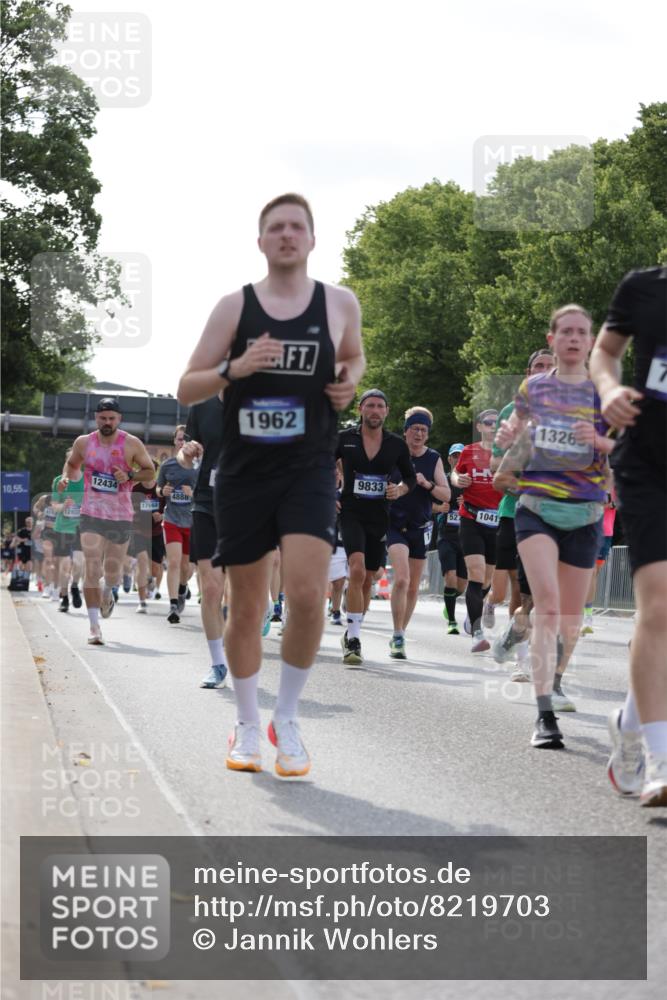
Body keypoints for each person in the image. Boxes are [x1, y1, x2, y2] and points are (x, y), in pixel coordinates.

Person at [177, 193, 364, 776]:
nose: (287, 235)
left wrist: (347, 385)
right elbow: (186, 386)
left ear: (312, 239)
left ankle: (288, 716)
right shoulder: (236, 307)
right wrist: (236, 368)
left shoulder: (339, 303)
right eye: (276, 228)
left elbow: (354, 359)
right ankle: (247, 721)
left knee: (307, 596)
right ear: (261, 242)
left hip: (307, 467)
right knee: (249, 605)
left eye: (297, 227)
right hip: (244, 472)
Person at [496, 305, 615, 749]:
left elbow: (624, 452)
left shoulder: (605, 393)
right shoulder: (534, 388)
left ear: (591, 342)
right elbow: (516, 435)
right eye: (564, 331)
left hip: (585, 513)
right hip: (537, 509)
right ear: (552, 339)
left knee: (570, 616)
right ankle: (544, 715)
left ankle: (556, 680)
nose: (572, 338)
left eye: (581, 332)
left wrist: (599, 442)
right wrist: (509, 439)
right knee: (545, 603)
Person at [590, 265, 667, 807]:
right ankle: (661, 759)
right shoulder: (644, 288)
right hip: (649, 466)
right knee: (659, 606)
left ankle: (631, 717)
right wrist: (610, 386)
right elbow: (604, 351)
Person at [58, 398, 156, 645]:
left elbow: (150, 472)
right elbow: (72, 465)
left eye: (112, 418)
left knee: (111, 573)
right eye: (103, 418)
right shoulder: (84, 442)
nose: (107, 422)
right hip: (91, 513)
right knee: (92, 567)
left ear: (119, 419)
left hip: (120, 516)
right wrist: (67, 479)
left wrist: (130, 474)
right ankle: (94, 627)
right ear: (96, 418)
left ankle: (108, 589)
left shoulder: (131, 443)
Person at [336, 389, 416, 666]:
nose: (374, 410)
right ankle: (355, 639)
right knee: (356, 569)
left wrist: (401, 490)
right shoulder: (345, 439)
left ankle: (351, 629)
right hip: (351, 511)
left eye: (379, 406)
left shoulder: (395, 444)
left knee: (369, 577)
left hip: (379, 516)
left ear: (386, 411)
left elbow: (410, 477)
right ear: (360, 409)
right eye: (369, 405)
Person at [386, 407, 450, 658]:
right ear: (406, 432)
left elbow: (446, 495)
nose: (419, 434)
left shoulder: (433, 458)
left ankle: (400, 632)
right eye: (415, 429)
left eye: (424, 430)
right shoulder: (393, 453)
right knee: (401, 579)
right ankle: (397, 633)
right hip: (394, 524)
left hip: (420, 527)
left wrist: (427, 483)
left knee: (413, 587)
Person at [178, 396, 228, 689]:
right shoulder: (203, 405)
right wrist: (187, 452)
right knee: (211, 587)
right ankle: (218, 664)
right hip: (207, 503)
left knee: (245, 593)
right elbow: (186, 457)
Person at [450, 410, 502, 652]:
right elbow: (455, 473)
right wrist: (457, 480)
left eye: (497, 422)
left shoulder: (507, 452)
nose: (493, 426)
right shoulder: (469, 451)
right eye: (488, 422)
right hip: (471, 518)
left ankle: (474, 614)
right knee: (476, 573)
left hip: (498, 522)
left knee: (487, 580)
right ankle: (478, 632)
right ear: (480, 426)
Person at [157, 426, 197, 624]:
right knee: (173, 562)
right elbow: (158, 488)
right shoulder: (167, 465)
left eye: (186, 440)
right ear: (174, 441)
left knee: (187, 567)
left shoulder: (201, 467)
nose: (182, 443)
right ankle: (173, 605)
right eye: (179, 439)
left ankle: (182, 587)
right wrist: (162, 491)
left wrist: (194, 494)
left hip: (193, 522)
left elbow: (212, 493)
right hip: (171, 519)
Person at [434, 443, 467, 635]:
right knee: (451, 579)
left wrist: (469, 504)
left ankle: (450, 602)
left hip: (466, 538)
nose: (458, 459)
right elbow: (427, 506)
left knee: (461, 585)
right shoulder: (443, 482)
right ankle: (452, 622)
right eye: (454, 456)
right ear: (449, 459)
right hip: (446, 537)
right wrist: (439, 508)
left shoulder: (470, 484)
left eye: (461, 456)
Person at [128, 459, 163, 614]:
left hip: (156, 533)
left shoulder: (160, 489)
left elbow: (170, 508)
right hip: (138, 531)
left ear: (154, 471)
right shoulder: (135, 489)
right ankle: (142, 601)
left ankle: (151, 580)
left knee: (155, 569)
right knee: (142, 564)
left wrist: (161, 515)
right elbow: (126, 508)